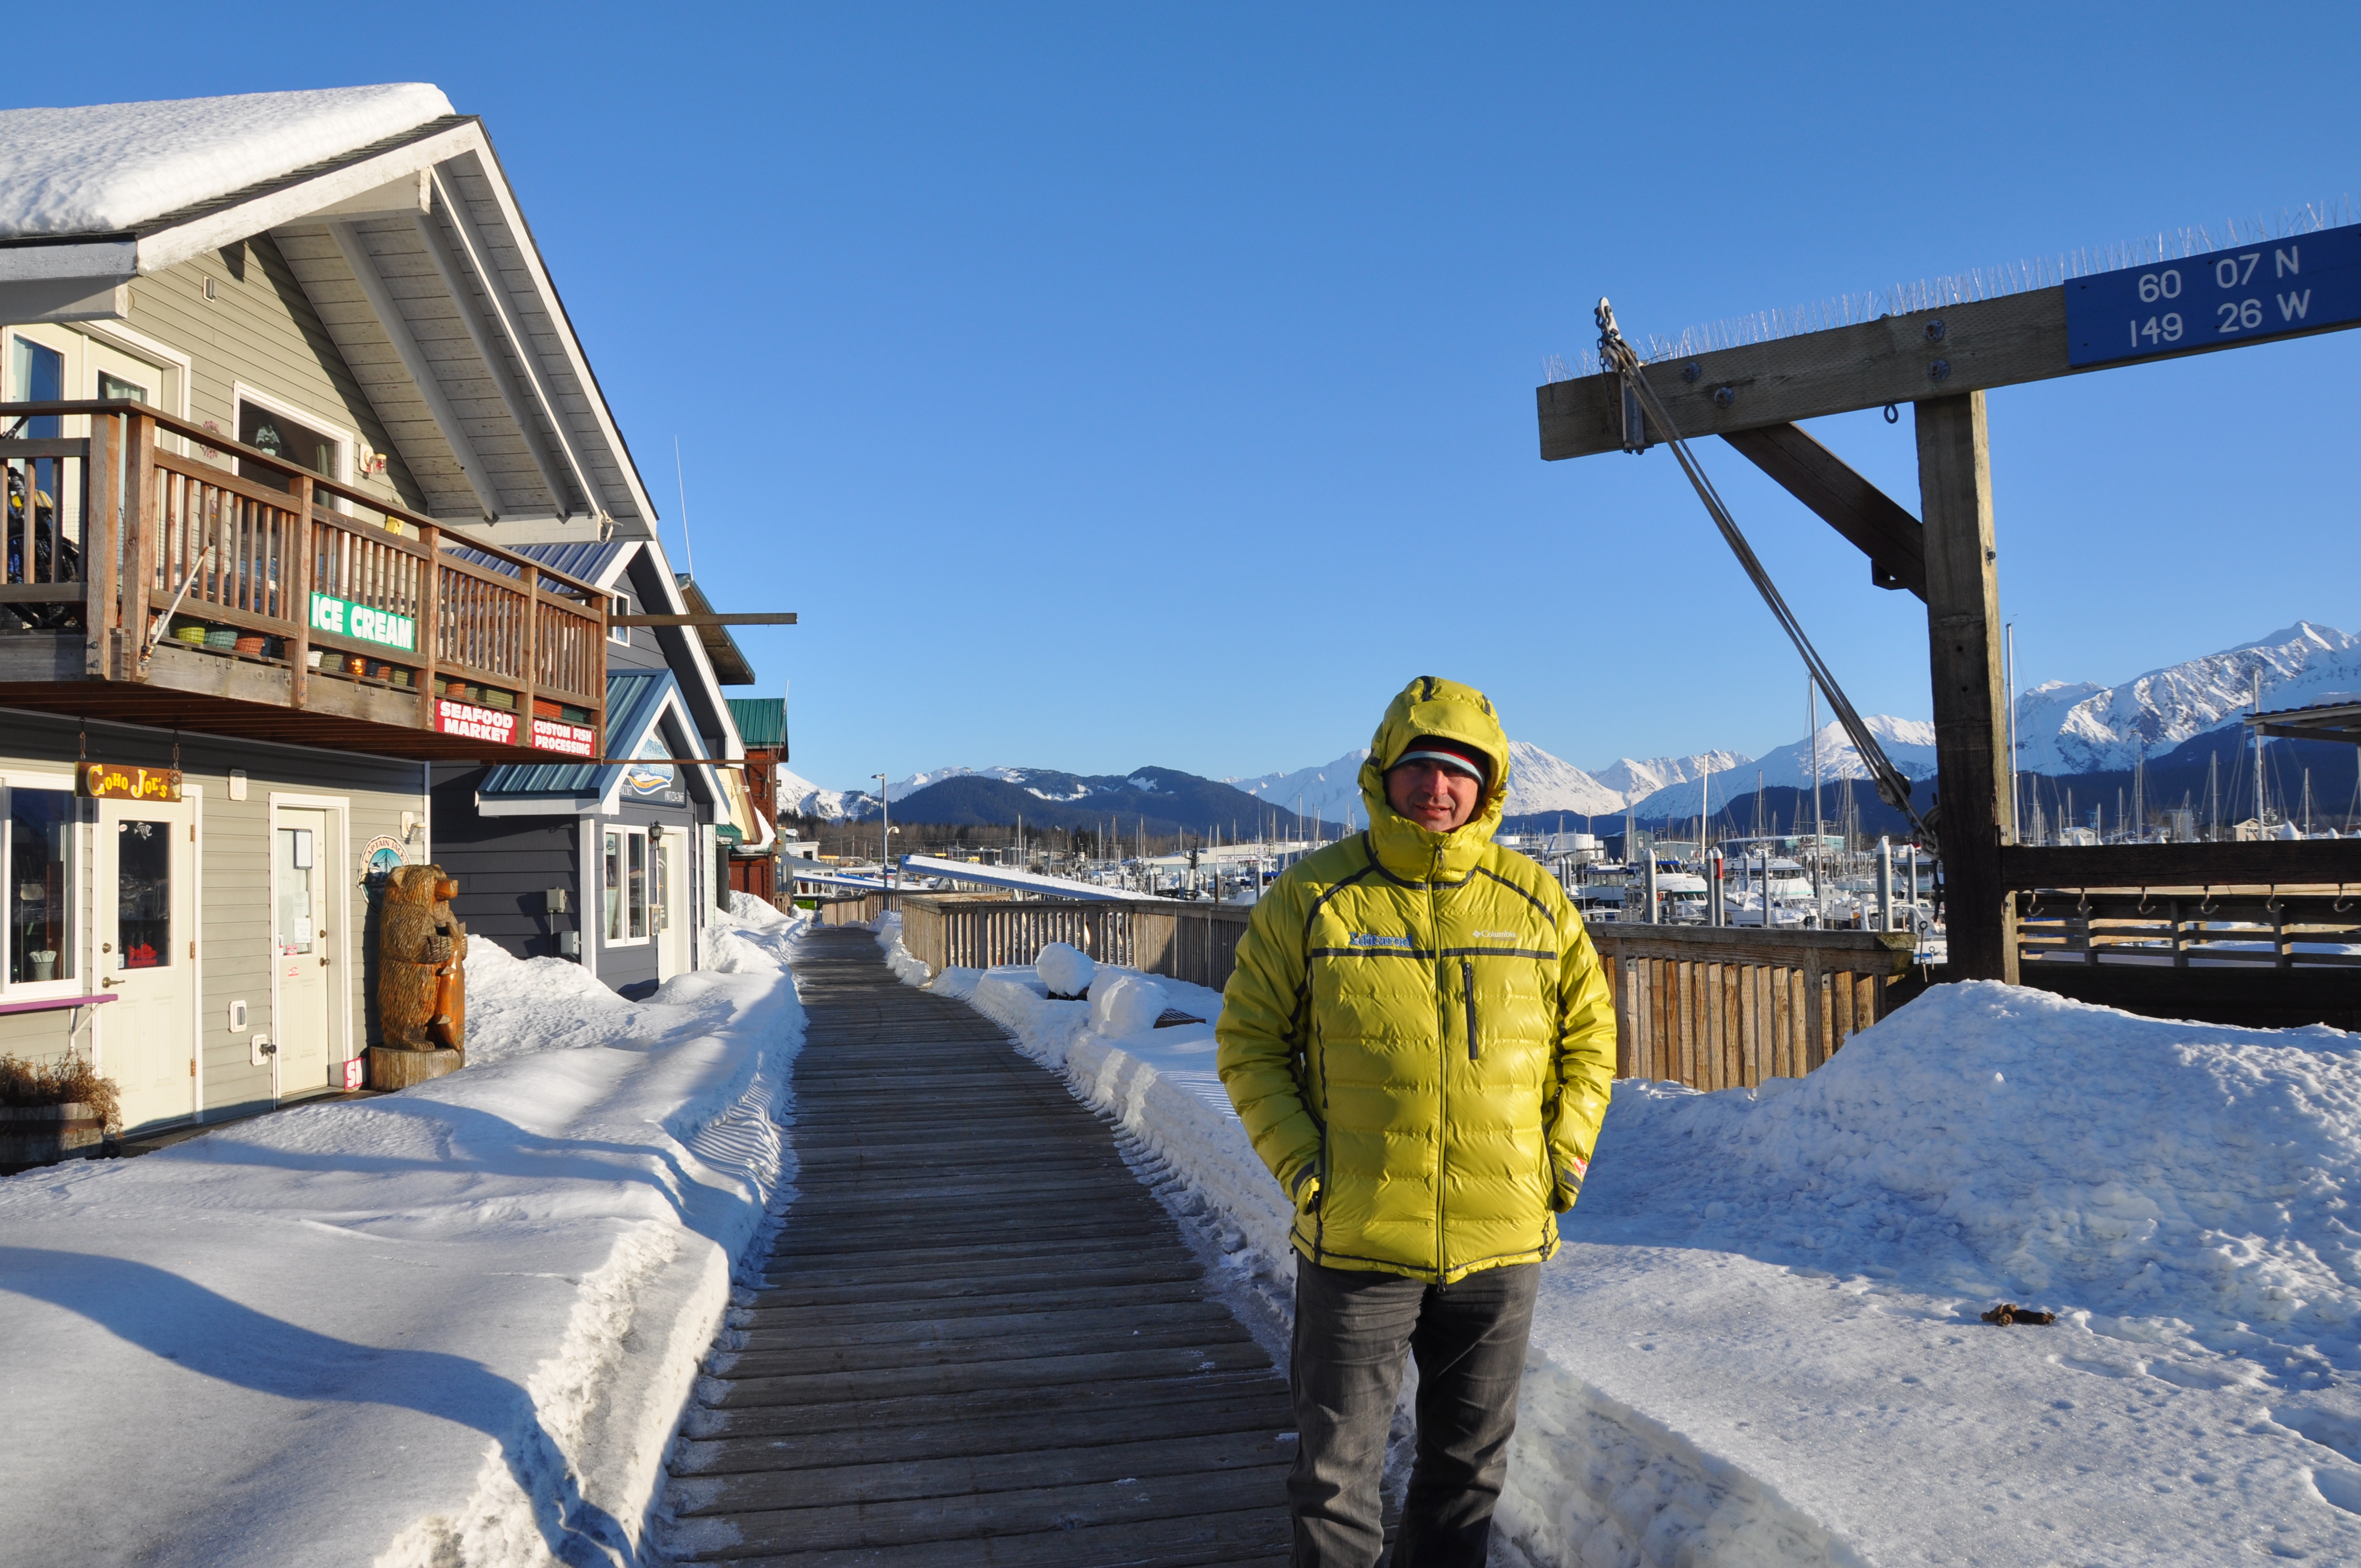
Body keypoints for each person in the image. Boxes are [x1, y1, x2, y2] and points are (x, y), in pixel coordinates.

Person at [1216, 676, 1618, 1567]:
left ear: (1490, 786)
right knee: (1335, 1476)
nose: (1438, 788)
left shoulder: (1535, 902)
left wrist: (1558, 1164)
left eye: (1460, 772)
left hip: (1502, 1242)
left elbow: (1591, 1039)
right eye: (1420, 767)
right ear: (1384, 775)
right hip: (1358, 1241)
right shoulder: (1314, 897)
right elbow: (1248, 1042)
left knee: (1468, 1471)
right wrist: (1307, 1170)